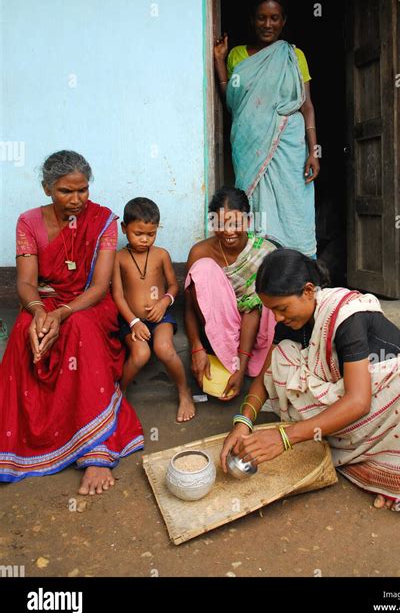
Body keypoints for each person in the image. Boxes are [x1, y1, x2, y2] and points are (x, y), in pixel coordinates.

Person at [220, 249, 400, 511]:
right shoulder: (289, 321)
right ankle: (354, 447)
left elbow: (359, 402)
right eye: (271, 310)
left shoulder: (347, 316)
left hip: (392, 399)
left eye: (281, 308)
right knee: (282, 358)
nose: (277, 318)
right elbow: (264, 377)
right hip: (350, 397)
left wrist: (284, 438)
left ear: (309, 291)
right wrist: (243, 422)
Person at [0, 150, 144, 494]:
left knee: (78, 328)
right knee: (23, 330)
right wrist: (39, 313)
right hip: (44, 300)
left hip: (88, 303)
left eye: (82, 190)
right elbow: (25, 283)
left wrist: (61, 314)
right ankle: (24, 439)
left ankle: (95, 450)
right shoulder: (29, 222)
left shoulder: (104, 220)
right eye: (66, 191)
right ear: (47, 189)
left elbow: (98, 287)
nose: (77, 199)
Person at [214, 0, 319, 257]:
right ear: (253, 20)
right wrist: (219, 62)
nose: (268, 24)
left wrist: (313, 151)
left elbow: (306, 105)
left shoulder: (294, 56)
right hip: (251, 145)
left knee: (294, 206)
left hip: (290, 147)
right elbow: (233, 103)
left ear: (283, 21)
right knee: (255, 206)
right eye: (262, 18)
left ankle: (297, 269)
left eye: (274, 18)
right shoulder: (237, 55)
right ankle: (259, 269)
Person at [184, 186, 277, 400]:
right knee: (203, 268)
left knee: (274, 285)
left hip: (257, 332)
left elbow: (254, 309)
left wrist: (240, 368)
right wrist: (196, 347)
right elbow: (189, 308)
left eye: (236, 223)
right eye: (221, 224)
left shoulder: (265, 252)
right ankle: (225, 354)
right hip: (218, 333)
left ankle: (249, 365)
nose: (228, 231)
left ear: (248, 221)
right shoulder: (200, 252)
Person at [111, 197, 195, 423]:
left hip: (161, 317)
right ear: (124, 228)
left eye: (151, 234)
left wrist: (164, 302)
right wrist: (133, 322)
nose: (145, 239)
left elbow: (173, 285)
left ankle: (184, 391)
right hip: (130, 320)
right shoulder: (118, 258)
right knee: (140, 354)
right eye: (138, 233)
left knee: (164, 347)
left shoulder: (161, 255)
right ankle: (120, 393)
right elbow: (117, 295)